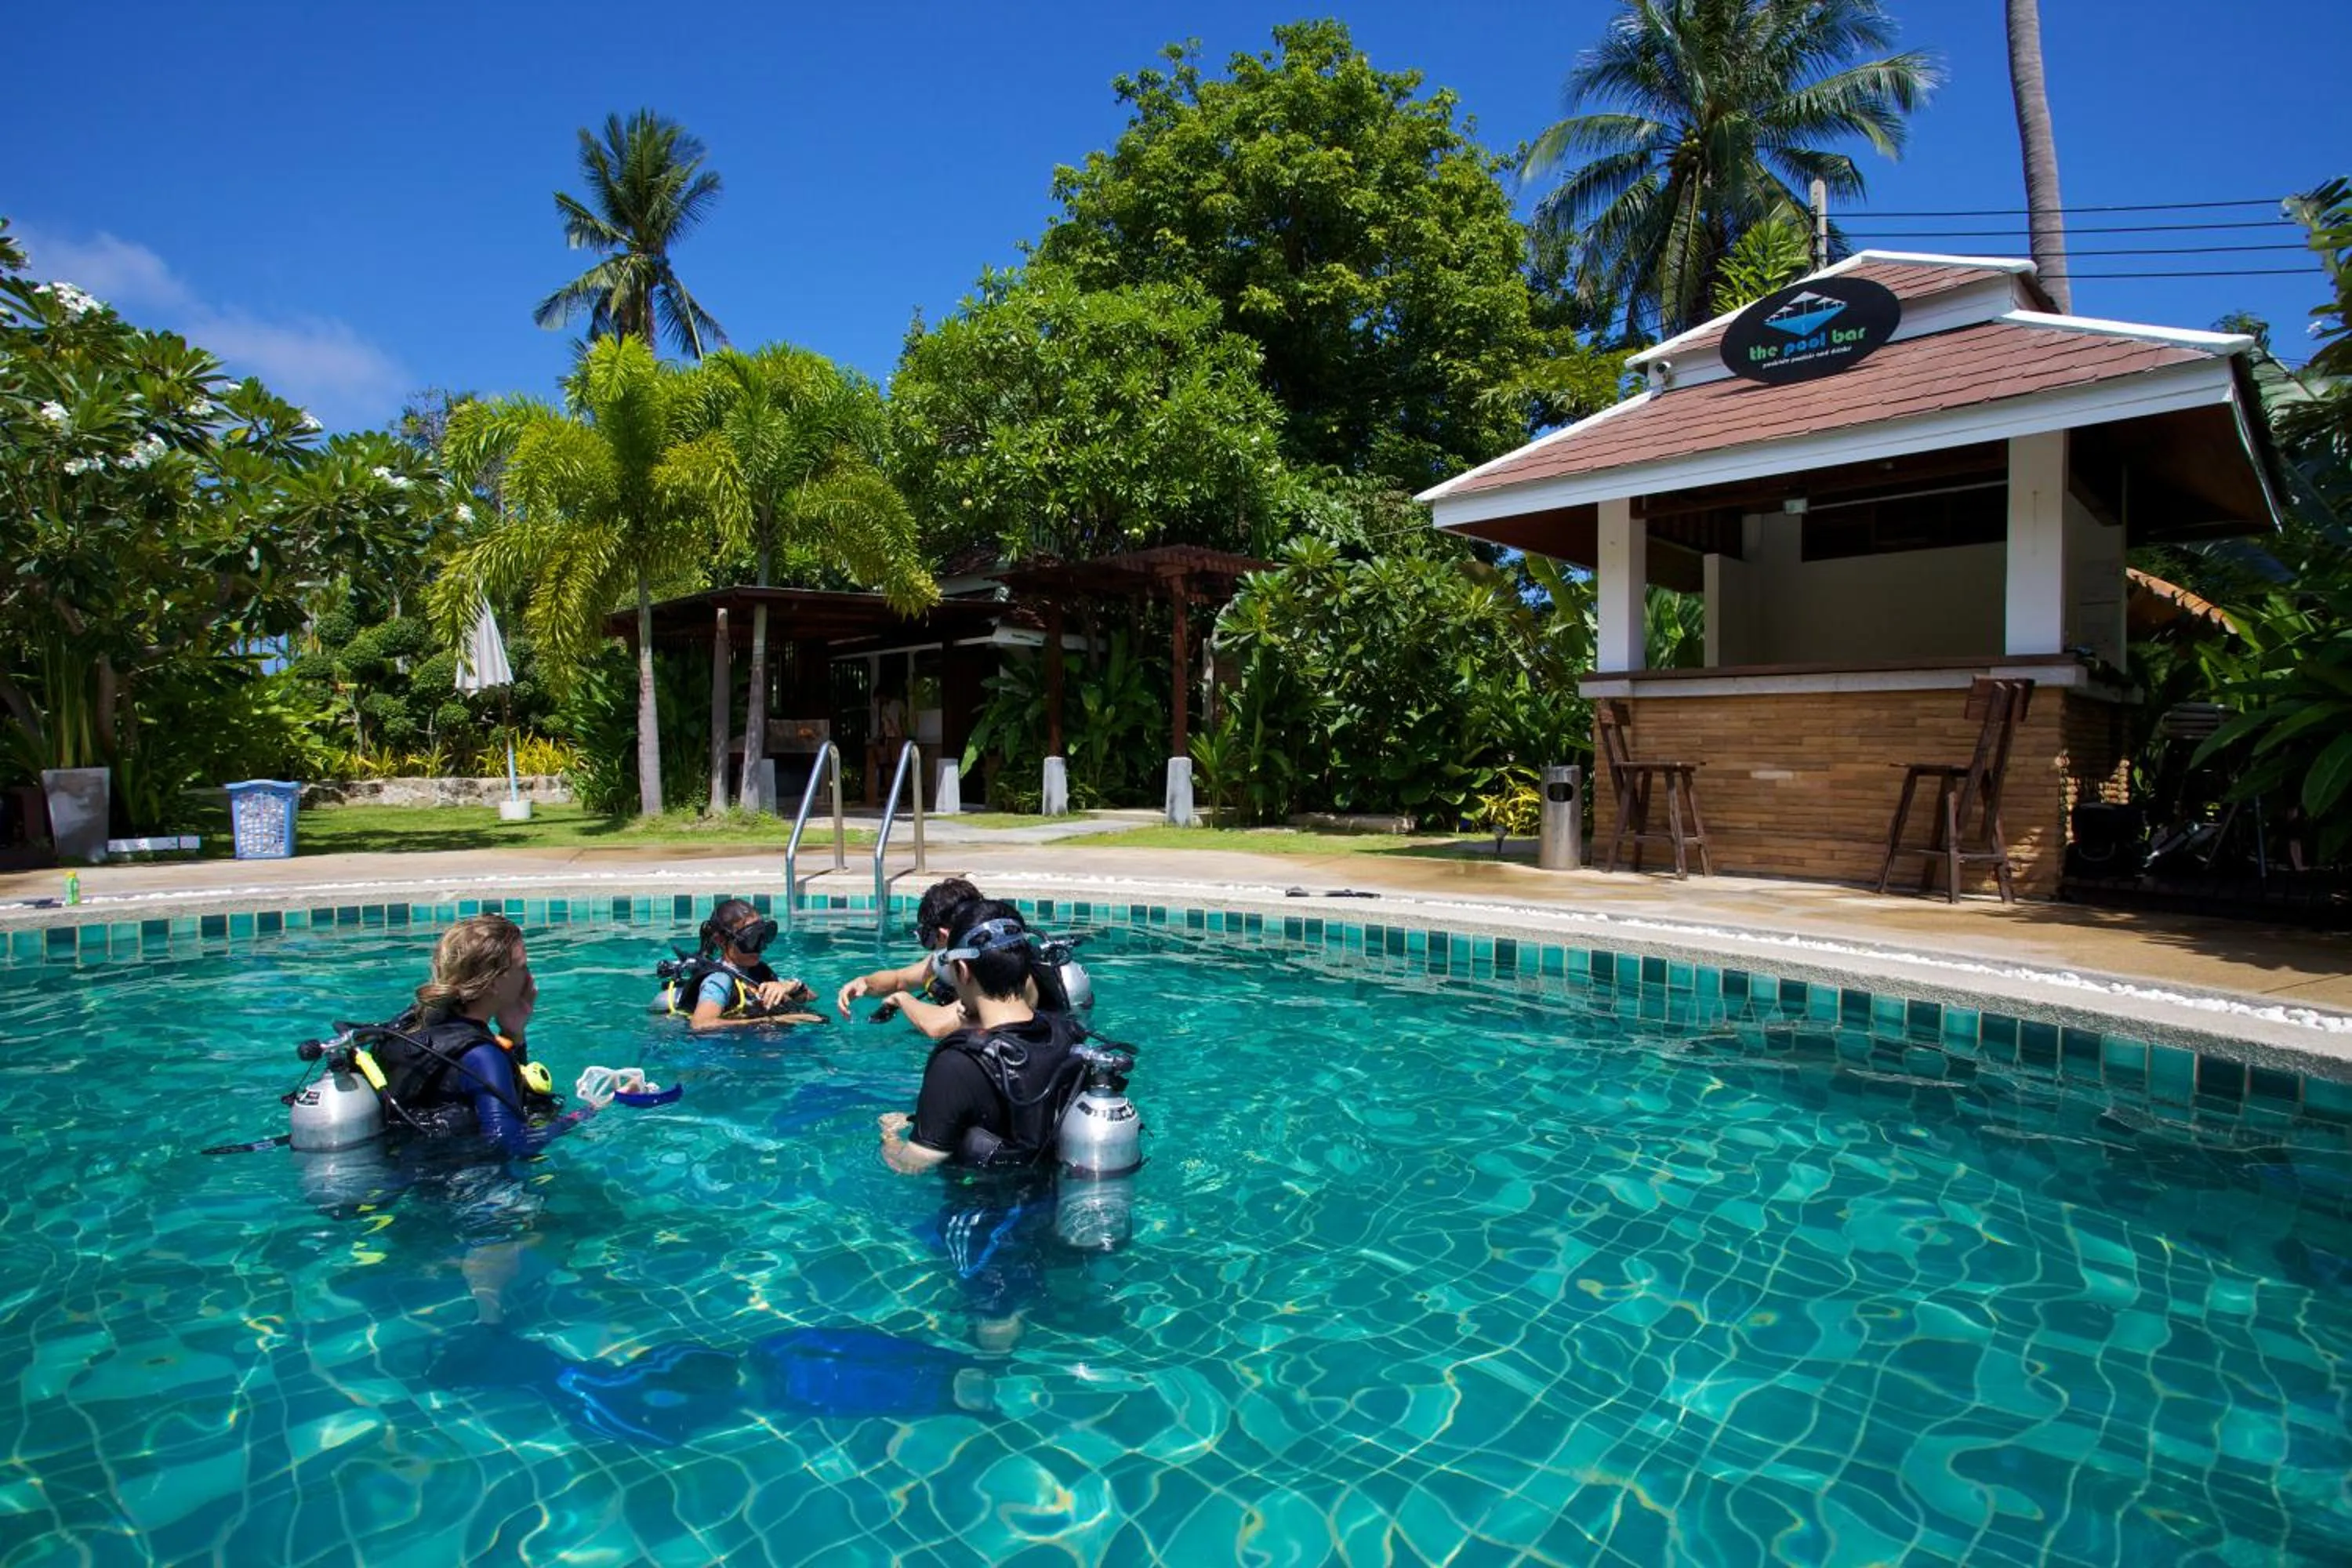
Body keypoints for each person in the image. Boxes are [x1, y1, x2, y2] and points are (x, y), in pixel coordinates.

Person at [877, 901, 1091, 1174]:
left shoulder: (957, 1065)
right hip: (1053, 1201)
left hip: (984, 1211)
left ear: (962, 971)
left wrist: (889, 1135)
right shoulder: (1067, 1032)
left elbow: (912, 1164)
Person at [371, 912, 567, 1159]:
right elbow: (511, 1144)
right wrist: (584, 1115)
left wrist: (513, 1033)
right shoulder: (482, 1057)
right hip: (463, 1188)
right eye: (522, 967)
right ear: (495, 983)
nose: (530, 977)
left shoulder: (409, 1024)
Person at [834, 877, 981, 1038]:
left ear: (942, 935)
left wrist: (901, 1000)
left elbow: (937, 1027)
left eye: (927, 937)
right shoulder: (946, 958)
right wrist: (865, 983)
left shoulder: (988, 966)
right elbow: (899, 980)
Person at [659, 898, 822, 1030]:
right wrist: (776, 1020)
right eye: (750, 940)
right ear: (720, 940)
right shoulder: (719, 980)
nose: (759, 947)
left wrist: (790, 986)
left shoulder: (757, 971)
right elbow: (701, 1024)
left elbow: (812, 997)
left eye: (762, 937)